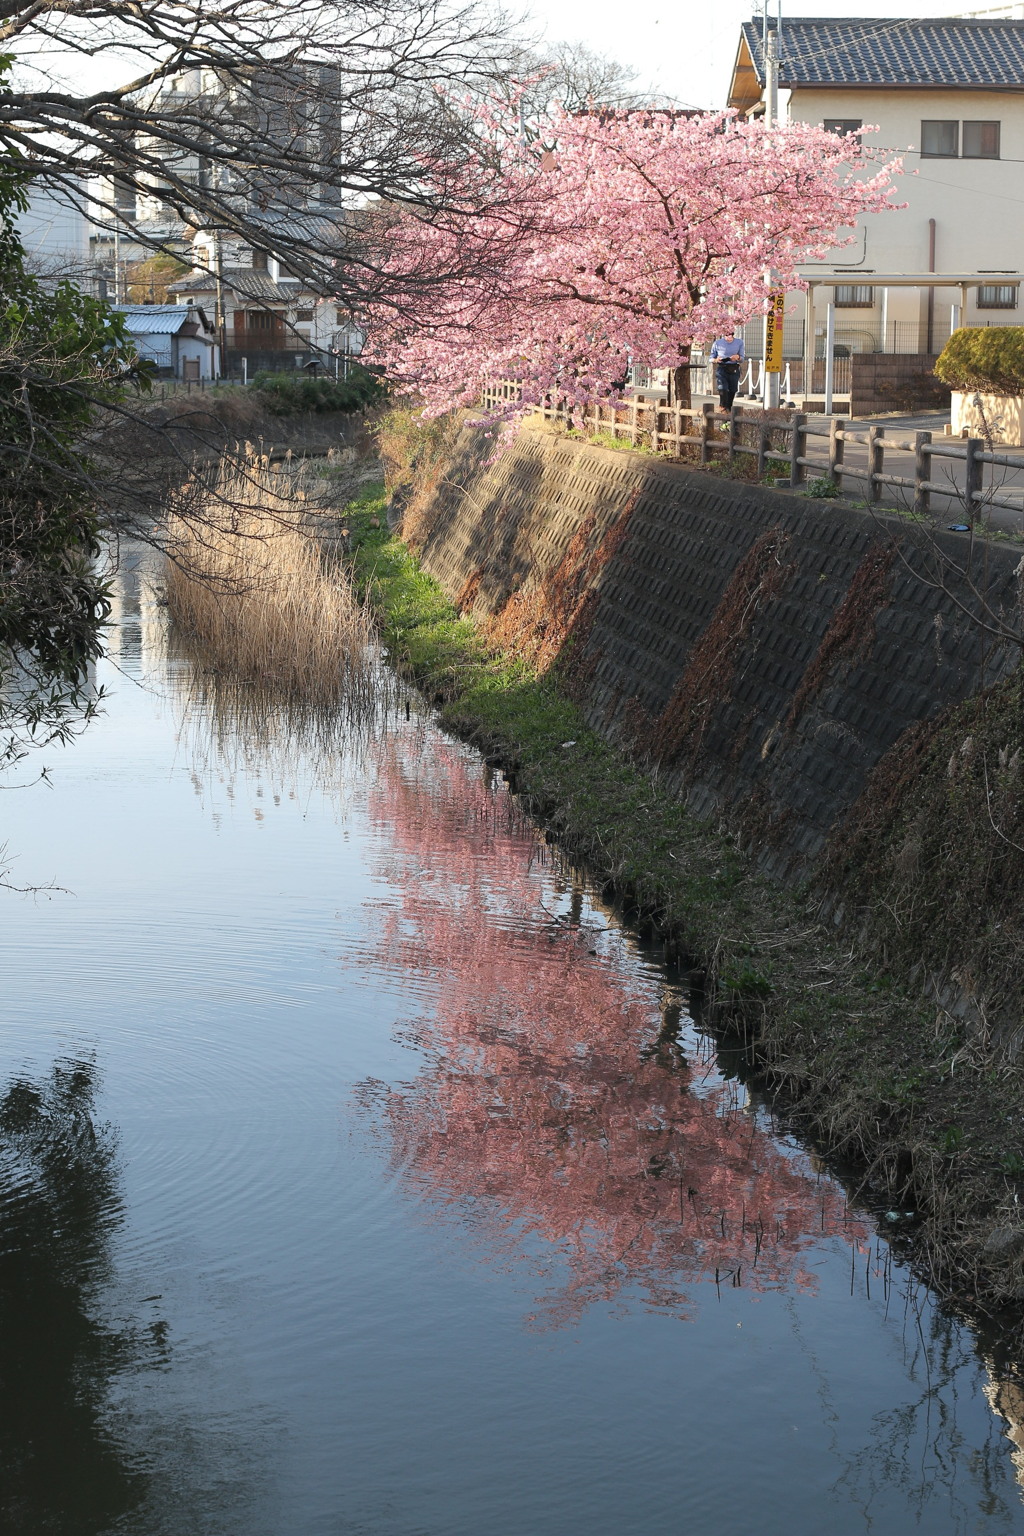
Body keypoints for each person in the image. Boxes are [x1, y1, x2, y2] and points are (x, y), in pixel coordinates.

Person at [709, 332, 745, 411]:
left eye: (730, 334)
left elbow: (742, 358)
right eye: (727, 334)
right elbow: (711, 358)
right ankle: (722, 407)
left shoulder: (739, 342)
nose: (728, 336)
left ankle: (729, 409)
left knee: (732, 390)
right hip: (722, 367)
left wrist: (737, 357)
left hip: (734, 368)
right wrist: (716, 360)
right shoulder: (717, 343)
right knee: (722, 388)